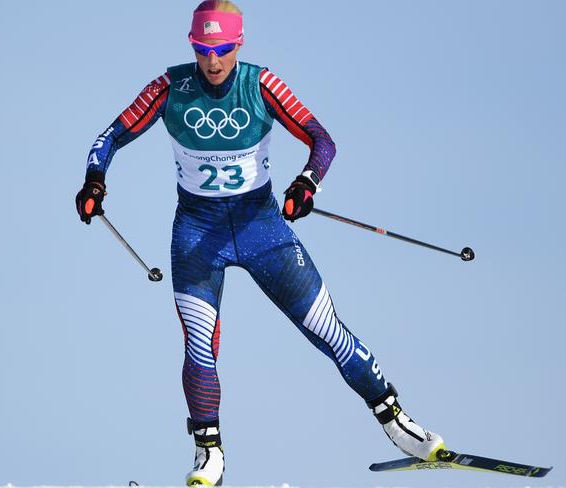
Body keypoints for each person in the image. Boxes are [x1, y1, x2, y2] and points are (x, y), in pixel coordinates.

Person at [76, 1, 444, 485]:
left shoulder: (261, 84)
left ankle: (395, 421)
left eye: (223, 49)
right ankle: (209, 452)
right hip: (196, 234)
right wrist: (95, 180)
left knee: (327, 331)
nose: (213, 61)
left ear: (239, 44)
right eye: (204, 49)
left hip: (262, 229)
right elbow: (109, 136)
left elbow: (322, 139)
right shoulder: (169, 87)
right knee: (199, 348)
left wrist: (307, 183)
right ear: (192, 45)